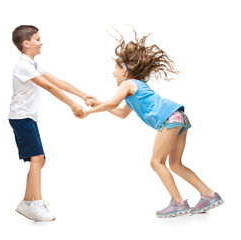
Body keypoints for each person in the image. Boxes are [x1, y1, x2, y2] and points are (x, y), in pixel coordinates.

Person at [79, 29, 223, 218]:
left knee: (156, 162)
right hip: (178, 116)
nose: (112, 73)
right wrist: (98, 103)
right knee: (175, 164)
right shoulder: (135, 88)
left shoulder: (127, 84)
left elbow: (113, 103)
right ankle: (209, 195)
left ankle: (179, 203)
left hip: (168, 118)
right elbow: (121, 112)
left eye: (115, 69)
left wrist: (89, 112)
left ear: (124, 70)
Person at [8, 25, 95, 222]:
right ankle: (36, 204)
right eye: (37, 39)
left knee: (39, 160)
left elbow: (56, 81)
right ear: (26, 43)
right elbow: (48, 87)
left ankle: (27, 203)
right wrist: (73, 105)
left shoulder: (32, 64)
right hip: (21, 117)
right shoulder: (23, 65)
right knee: (37, 158)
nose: (41, 42)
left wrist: (82, 95)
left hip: (27, 117)